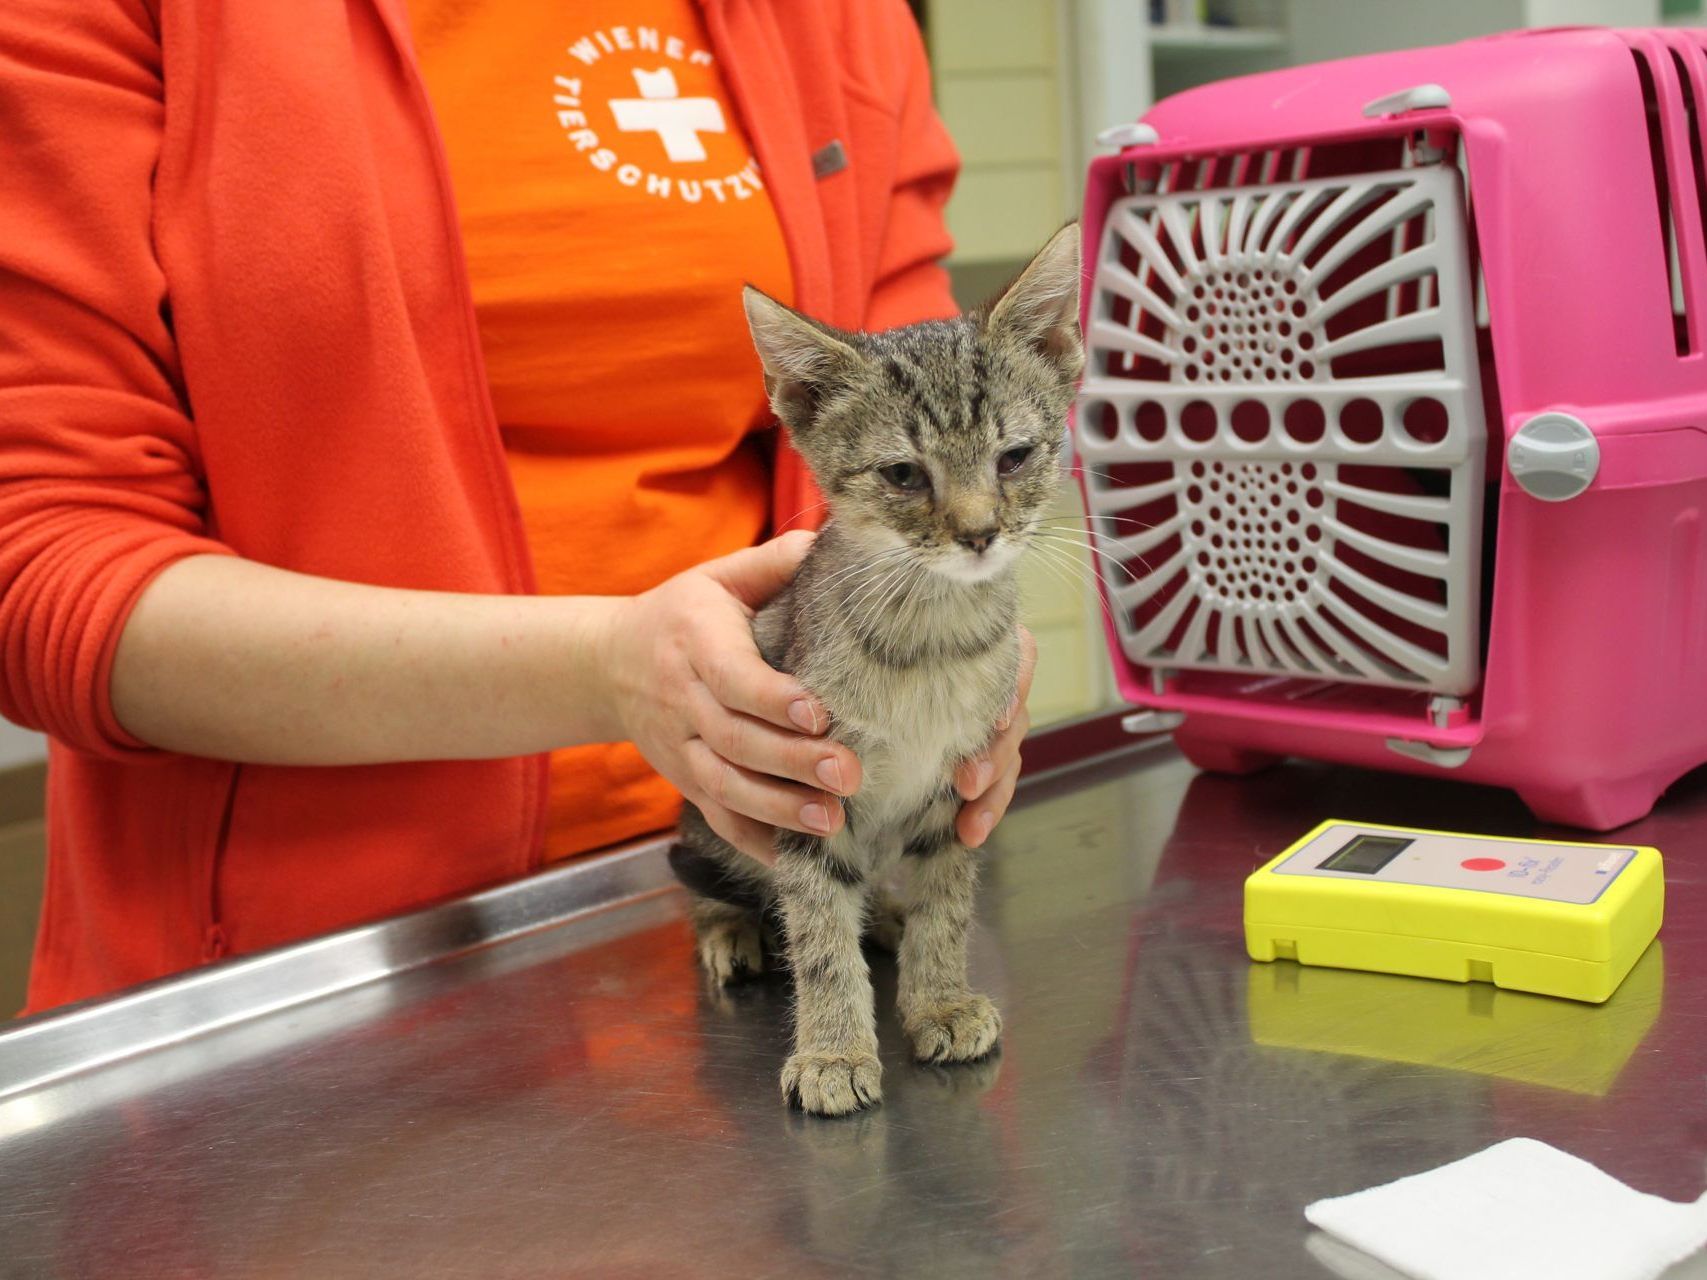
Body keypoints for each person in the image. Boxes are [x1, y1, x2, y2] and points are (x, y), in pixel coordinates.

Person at [0, 0, 1034, 1014]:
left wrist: (955, 638)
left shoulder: (836, 16)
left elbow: (920, 391)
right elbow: (43, 574)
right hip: (321, 982)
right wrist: (617, 671)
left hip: (766, 916)